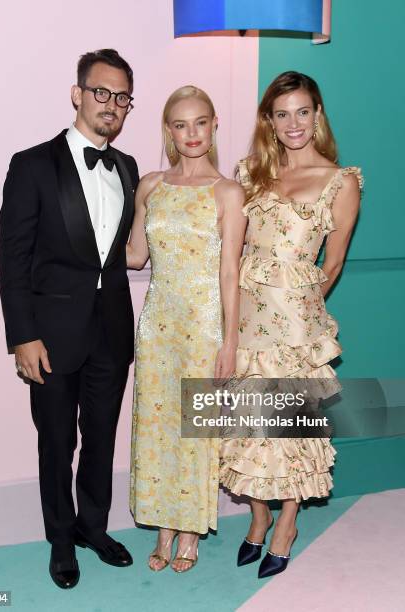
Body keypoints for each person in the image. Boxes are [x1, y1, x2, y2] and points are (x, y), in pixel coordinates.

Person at [0, 49, 139, 589]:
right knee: (57, 441)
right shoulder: (32, 164)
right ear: (78, 94)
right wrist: (21, 336)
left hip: (111, 331)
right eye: (102, 92)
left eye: (122, 97)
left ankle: (92, 527)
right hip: (50, 336)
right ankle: (60, 540)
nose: (112, 104)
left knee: (101, 436)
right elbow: (13, 257)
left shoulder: (126, 168)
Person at [219, 71, 363, 578]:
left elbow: (334, 264)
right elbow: (230, 252)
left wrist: (299, 306)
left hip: (295, 325)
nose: (293, 123)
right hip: (243, 316)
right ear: (269, 121)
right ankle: (257, 519)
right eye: (282, 114)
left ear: (317, 115)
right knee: (244, 425)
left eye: (303, 111)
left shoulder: (342, 181)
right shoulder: (250, 172)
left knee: (289, 429)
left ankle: (286, 523)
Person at [127, 86, 246, 572]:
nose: (191, 134)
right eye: (180, 124)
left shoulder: (228, 191)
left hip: (203, 327)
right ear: (168, 131)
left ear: (214, 125)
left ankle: (193, 530)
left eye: (200, 123)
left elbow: (230, 273)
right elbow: (135, 255)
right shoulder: (151, 185)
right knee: (156, 427)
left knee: (196, 428)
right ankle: (164, 526)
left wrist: (230, 340)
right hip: (157, 325)